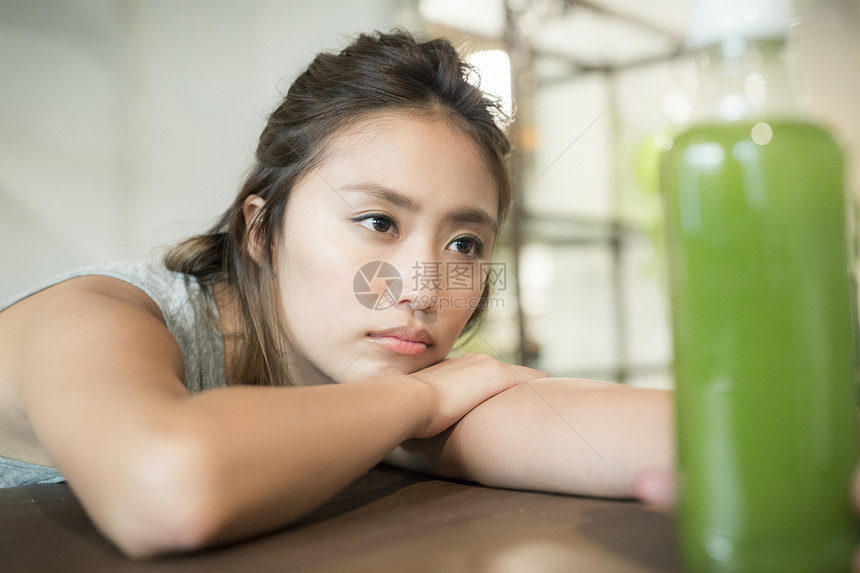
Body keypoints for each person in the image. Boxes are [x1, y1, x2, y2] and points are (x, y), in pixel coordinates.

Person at [0, 30, 675, 557]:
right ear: (262, 230)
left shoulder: (363, 372)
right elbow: (164, 489)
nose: (422, 288)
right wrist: (422, 397)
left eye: (464, 244)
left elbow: (601, 432)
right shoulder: (100, 315)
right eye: (378, 222)